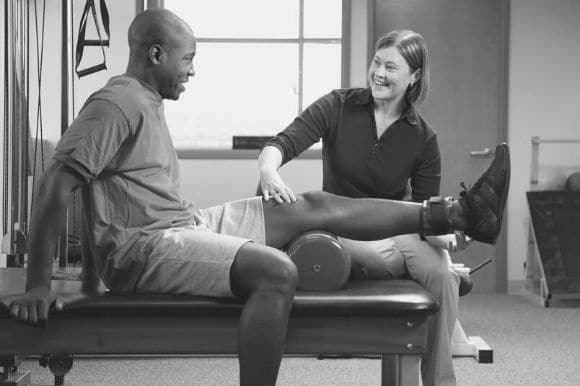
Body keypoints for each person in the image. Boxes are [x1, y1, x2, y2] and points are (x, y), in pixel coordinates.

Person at [0, 11, 510, 386]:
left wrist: (92, 274)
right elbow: (56, 185)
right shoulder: (117, 103)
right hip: (153, 245)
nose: (192, 71)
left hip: (183, 224)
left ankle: (460, 212)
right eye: (188, 59)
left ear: (412, 79)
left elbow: (100, 189)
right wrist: (40, 284)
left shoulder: (145, 99)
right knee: (277, 270)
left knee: (307, 204)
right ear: (156, 55)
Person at [258, 30, 505, 386]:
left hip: (399, 231)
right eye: (377, 62)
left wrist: (448, 242)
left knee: (443, 273)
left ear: (414, 77)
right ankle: (464, 213)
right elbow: (282, 143)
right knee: (397, 257)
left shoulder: (423, 137)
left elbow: (424, 217)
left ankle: (440, 382)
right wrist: (268, 170)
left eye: (391, 67)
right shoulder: (337, 106)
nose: (379, 73)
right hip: (344, 230)